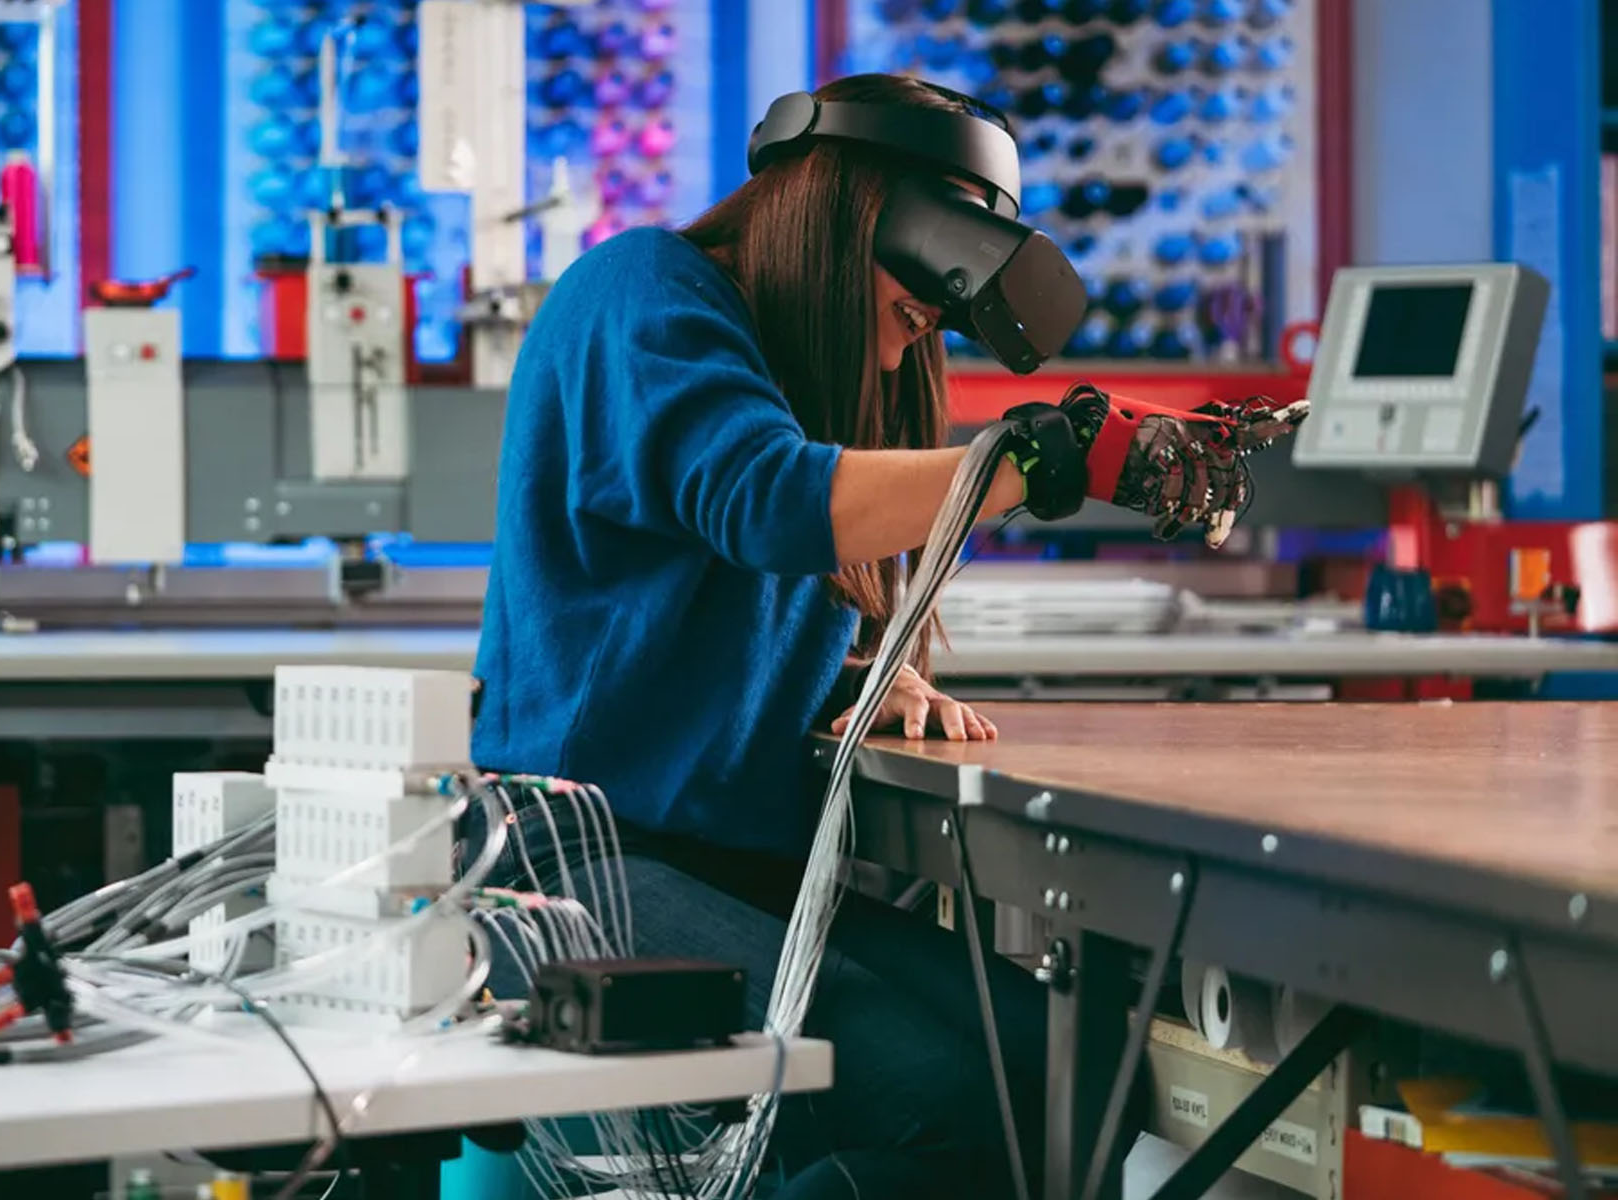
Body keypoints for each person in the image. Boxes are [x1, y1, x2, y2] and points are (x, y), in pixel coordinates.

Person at [469, 73, 1302, 1198]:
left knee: (1069, 1061)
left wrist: (856, 668)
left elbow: (716, 598)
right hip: (580, 872)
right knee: (944, 1109)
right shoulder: (639, 289)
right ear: (846, 215)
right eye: (908, 315)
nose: (902, 353)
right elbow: (762, 499)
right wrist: (1042, 461)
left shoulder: (778, 363)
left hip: (732, 874)